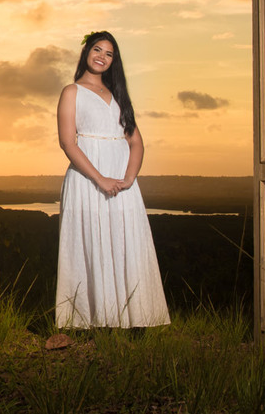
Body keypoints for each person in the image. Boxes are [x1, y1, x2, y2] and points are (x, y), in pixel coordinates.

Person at [55, 30, 169, 328]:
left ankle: (134, 318)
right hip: (87, 179)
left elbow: (136, 142)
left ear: (113, 61)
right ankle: (89, 321)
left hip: (122, 184)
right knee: (89, 244)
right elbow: (68, 142)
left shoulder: (119, 95)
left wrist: (128, 178)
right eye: (97, 50)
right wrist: (100, 179)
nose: (102, 57)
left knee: (125, 242)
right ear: (86, 52)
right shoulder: (72, 91)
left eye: (109, 53)